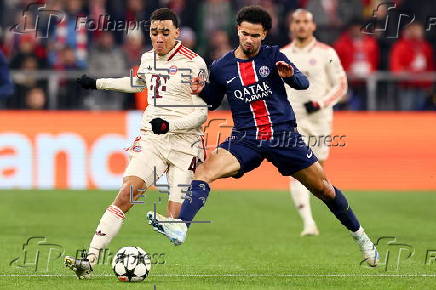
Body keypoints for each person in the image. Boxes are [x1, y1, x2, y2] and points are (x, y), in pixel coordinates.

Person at [147, 6, 379, 267]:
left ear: (264, 34)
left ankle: (362, 238)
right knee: (203, 172)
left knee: (324, 189)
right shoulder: (222, 66)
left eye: (255, 35)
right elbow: (213, 101)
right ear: (237, 30)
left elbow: (303, 84)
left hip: (282, 135)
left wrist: (292, 76)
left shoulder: (272, 56)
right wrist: (201, 90)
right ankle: (181, 227)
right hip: (246, 138)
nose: (249, 40)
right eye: (245, 34)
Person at [64, 8, 208, 279]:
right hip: (152, 139)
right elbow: (137, 83)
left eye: (166, 32)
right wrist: (98, 83)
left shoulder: (194, 63)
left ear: (177, 33)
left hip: (184, 144)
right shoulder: (147, 58)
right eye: (154, 32)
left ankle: (175, 224)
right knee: (127, 193)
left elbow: (202, 112)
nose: (159, 37)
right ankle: (90, 259)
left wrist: (170, 125)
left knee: (175, 224)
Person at [280, 9, 347, 236]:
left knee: (318, 171)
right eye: (297, 21)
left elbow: (340, 85)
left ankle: (330, 211)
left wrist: (320, 103)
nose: (301, 26)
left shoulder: (326, 53)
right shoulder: (281, 54)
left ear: (313, 26)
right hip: (291, 121)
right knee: (297, 169)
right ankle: (308, 223)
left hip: (319, 120)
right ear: (291, 26)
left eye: (305, 22)